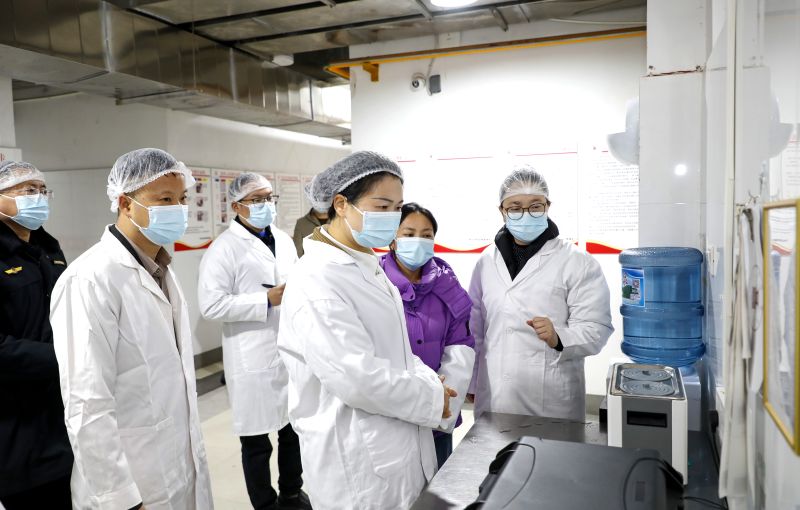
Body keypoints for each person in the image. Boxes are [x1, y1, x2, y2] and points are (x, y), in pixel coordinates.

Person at [277, 151, 457, 510]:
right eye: (382, 206)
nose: (392, 217)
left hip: (392, 441)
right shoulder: (318, 279)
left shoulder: (364, 264)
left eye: (397, 207)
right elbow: (356, 378)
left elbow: (397, 349)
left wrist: (430, 381)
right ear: (341, 204)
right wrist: (431, 398)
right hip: (357, 460)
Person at [49, 148, 213, 509]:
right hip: (131, 482)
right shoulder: (90, 279)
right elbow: (86, 402)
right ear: (125, 203)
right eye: (165, 199)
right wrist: (120, 498)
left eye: (182, 199)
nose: (178, 209)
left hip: (177, 464)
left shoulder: (162, 269)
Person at [198, 173, 310, 510]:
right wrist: (265, 300)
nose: (266, 205)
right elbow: (211, 305)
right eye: (257, 199)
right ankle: (264, 503)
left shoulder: (283, 239)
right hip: (251, 357)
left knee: (292, 431)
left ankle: (292, 492)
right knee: (256, 442)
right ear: (236, 206)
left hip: (289, 349)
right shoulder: (223, 249)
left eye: (269, 198)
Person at [467, 165, 613, 421]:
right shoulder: (486, 261)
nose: (526, 214)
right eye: (515, 207)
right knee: (493, 447)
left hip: (550, 400)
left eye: (535, 206)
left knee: (550, 448)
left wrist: (559, 337)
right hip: (494, 394)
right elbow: (475, 328)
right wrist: (471, 382)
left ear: (547, 206)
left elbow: (597, 328)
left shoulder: (577, 261)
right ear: (502, 211)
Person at [0, 161, 73, 509]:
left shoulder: (49, 249)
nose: (39, 197)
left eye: (43, 190)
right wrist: (64, 357)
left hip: (62, 412)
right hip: (16, 425)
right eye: (28, 190)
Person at [379, 203, 475, 468]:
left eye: (426, 235)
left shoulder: (447, 284)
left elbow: (461, 345)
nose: (417, 241)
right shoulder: (374, 282)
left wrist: (441, 405)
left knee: (438, 483)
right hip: (390, 416)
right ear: (393, 239)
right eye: (409, 234)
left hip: (439, 413)